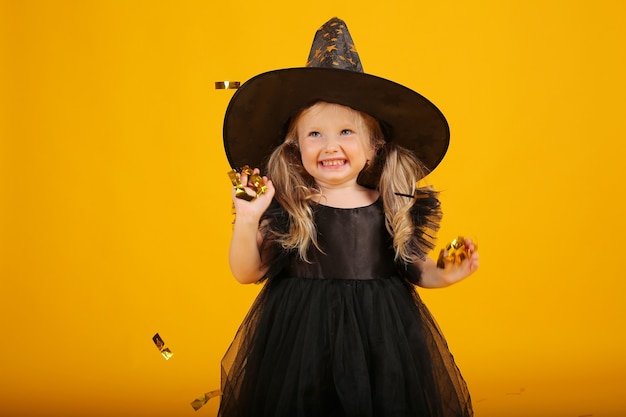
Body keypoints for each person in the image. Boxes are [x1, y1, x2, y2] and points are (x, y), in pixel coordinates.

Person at [218, 17, 479, 417]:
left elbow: (414, 269)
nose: (330, 146)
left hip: (381, 334)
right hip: (299, 338)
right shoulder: (290, 207)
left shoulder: (390, 204)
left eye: (346, 132)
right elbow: (245, 273)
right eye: (315, 134)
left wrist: (444, 273)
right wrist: (249, 218)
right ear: (295, 146)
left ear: (374, 146)